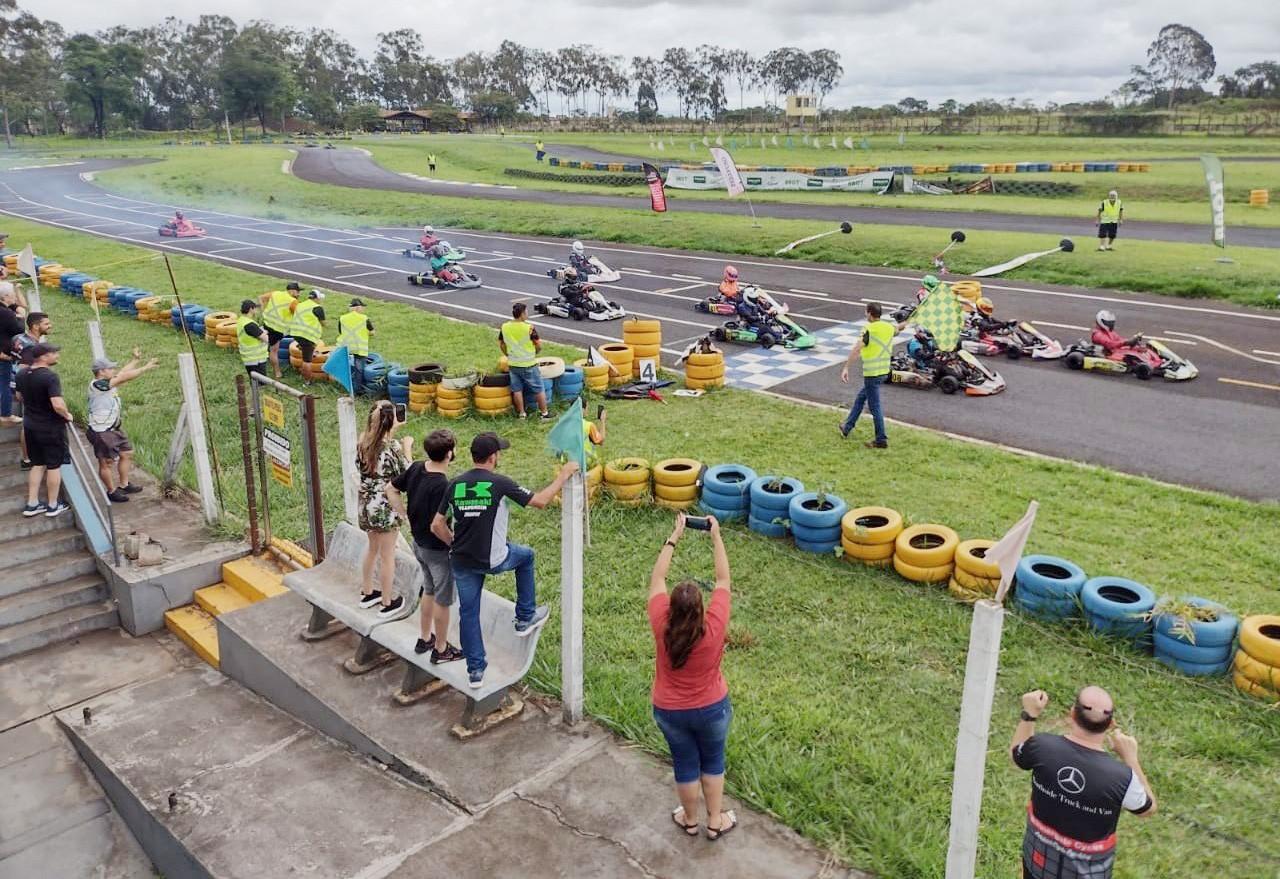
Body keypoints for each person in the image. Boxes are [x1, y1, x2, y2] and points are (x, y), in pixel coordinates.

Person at [430, 432, 578, 688]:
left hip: (462, 560)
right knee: (526, 557)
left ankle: (475, 671)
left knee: (468, 613)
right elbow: (541, 501)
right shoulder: (500, 483)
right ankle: (525, 617)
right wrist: (563, 475)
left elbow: (436, 525)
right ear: (493, 457)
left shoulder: (455, 484)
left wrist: (453, 542)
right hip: (493, 559)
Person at [648, 513, 737, 841]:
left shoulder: (661, 622)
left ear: (670, 607)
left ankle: (689, 820)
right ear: (702, 609)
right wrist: (715, 536)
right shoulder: (713, 625)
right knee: (713, 761)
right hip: (712, 707)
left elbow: (657, 579)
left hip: (670, 711)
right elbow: (724, 580)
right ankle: (715, 822)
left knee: (685, 763)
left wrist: (675, 535)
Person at [1011, 686, 1156, 879]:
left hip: (1038, 863)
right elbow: (1148, 808)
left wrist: (1029, 714)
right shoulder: (1122, 777)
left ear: (1072, 714)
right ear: (1111, 723)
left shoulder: (1041, 746)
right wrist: (1131, 758)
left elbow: (1017, 754)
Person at [386, 428, 463, 663]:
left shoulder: (417, 467)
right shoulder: (443, 485)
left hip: (418, 544)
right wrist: (452, 544)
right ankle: (441, 650)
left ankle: (425, 637)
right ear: (450, 454)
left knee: (428, 589)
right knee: (442, 598)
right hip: (437, 550)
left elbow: (391, 489)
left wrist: (404, 516)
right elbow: (437, 526)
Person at [356, 401, 412, 616]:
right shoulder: (393, 447)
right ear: (390, 421)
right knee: (388, 555)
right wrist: (407, 446)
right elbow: (406, 474)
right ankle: (388, 602)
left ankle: (368, 591)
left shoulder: (362, 441)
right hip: (385, 506)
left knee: (372, 549)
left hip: (366, 504)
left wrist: (390, 428)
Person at [86, 350, 160, 503]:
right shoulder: (98, 385)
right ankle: (111, 491)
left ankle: (124, 484)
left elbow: (121, 374)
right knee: (106, 462)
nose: (113, 371)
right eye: (110, 368)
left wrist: (135, 360)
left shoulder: (107, 381)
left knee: (127, 453)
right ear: (101, 371)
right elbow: (123, 377)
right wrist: (145, 368)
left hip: (114, 428)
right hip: (102, 431)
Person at [14, 343, 72, 518]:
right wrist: (67, 415)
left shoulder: (22, 373)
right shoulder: (50, 377)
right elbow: (57, 404)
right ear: (44, 356)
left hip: (30, 425)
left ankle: (32, 504)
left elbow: (18, 396)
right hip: (50, 427)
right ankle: (53, 505)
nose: (57, 356)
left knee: (37, 464)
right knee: (54, 465)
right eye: (54, 353)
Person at [839, 301, 896, 449]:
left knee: (875, 406)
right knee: (860, 398)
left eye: (866, 312)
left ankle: (881, 439)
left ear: (869, 313)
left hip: (872, 373)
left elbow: (857, 348)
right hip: (884, 371)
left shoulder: (869, 329)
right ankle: (847, 427)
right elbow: (898, 329)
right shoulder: (888, 327)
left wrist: (846, 367)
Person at [12, 310, 51, 469]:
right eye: (46, 324)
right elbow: (23, 370)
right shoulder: (31, 347)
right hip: (27, 390)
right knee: (28, 425)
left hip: (13, 384)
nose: (50, 326)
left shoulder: (19, 338)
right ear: (35, 326)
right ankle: (27, 458)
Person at [498, 302, 550, 420]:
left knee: (517, 390)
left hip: (513, 364)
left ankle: (522, 414)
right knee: (539, 389)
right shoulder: (529, 328)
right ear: (521, 314)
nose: (527, 314)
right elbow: (538, 344)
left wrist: (507, 354)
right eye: (526, 312)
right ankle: (544, 414)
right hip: (529, 364)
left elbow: (501, 343)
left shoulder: (505, 327)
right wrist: (535, 352)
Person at [259, 282, 300, 379]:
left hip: (267, 323)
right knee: (274, 350)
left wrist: (263, 310)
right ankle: (277, 373)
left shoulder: (275, 293)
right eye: (298, 292)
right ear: (293, 291)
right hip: (278, 329)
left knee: (268, 344)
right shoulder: (293, 302)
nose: (299, 295)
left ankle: (262, 359)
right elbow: (299, 316)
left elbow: (261, 298)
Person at [337, 298, 374, 395]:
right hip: (359, 347)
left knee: (345, 367)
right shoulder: (364, 318)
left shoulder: (342, 318)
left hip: (346, 346)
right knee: (359, 369)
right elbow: (372, 332)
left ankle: (345, 385)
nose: (363, 310)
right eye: (362, 307)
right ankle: (358, 390)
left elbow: (340, 331)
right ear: (358, 308)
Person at [290, 289, 326, 384]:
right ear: (316, 298)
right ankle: (307, 381)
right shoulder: (317, 308)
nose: (320, 301)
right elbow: (324, 323)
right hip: (307, 336)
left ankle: (304, 375)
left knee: (306, 355)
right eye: (319, 299)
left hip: (295, 333)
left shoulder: (300, 304)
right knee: (307, 360)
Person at [0, 284, 24, 424]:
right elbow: (18, 330)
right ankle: (6, 414)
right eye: (12, 294)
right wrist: (20, 318)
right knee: (4, 383)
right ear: (5, 296)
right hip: (4, 354)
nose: (14, 297)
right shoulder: (6, 313)